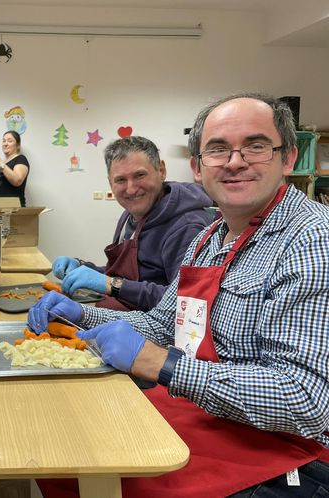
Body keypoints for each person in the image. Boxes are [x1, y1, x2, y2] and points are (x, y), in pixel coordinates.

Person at [30, 93, 329, 498]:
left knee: (98, 476)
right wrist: (81, 318)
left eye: (256, 146)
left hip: (283, 449)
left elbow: (306, 400)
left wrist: (161, 363)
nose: (235, 161)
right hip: (204, 412)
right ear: (198, 167)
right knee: (62, 452)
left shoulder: (312, 238)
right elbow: (161, 322)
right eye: (218, 149)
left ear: (288, 158)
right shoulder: (209, 238)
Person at [53, 136, 213, 312]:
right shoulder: (131, 214)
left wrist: (110, 284)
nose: (131, 189)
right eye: (120, 180)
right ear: (110, 182)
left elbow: (185, 303)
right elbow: (128, 274)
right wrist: (83, 267)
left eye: (140, 175)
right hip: (125, 311)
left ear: (161, 170)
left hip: (158, 331)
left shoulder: (187, 226)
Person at [0, 130, 30, 207]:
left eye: (10, 141)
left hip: (13, 209)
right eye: (4, 141)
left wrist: (0, 162)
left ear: (18, 145)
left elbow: (17, 180)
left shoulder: (20, 159)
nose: (5, 144)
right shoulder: (3, 165)